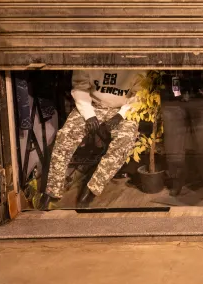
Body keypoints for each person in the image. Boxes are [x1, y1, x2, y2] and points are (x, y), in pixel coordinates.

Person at [40, 70, 142, 209]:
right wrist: (89, 115)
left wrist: (120, 115)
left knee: (125, 140)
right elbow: (80, 87)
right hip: (92, 105)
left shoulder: (136, 61)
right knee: (65, 135)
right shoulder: (90, 58)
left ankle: (92, 188)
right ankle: (52, 190)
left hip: (122, 109)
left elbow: (140, 94)